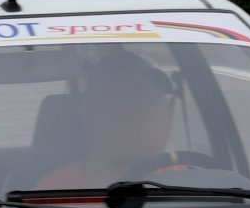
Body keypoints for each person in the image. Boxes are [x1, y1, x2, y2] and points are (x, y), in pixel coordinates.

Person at [36, 52, 180, 190]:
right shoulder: (52, 191)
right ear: (89, 114)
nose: (145, 122)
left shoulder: (186, 181)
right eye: (126, 112)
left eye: (151, 105)